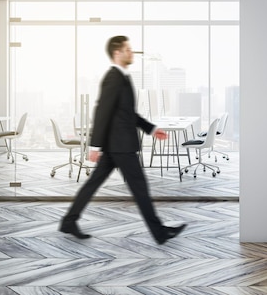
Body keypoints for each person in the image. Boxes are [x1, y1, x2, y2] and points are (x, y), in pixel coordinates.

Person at [59, 35, 186, 243]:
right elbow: (102, 112)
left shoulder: (123, 77)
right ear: (117, 53)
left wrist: (151, 129)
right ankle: (159, 232)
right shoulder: (113, 78)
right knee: (139, 187)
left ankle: (69, 221)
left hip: (116, 145)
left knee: (94, 184)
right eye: (127, 49)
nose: (131, 52)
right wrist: (95, 146)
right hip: (120, 146)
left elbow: (128, 113)